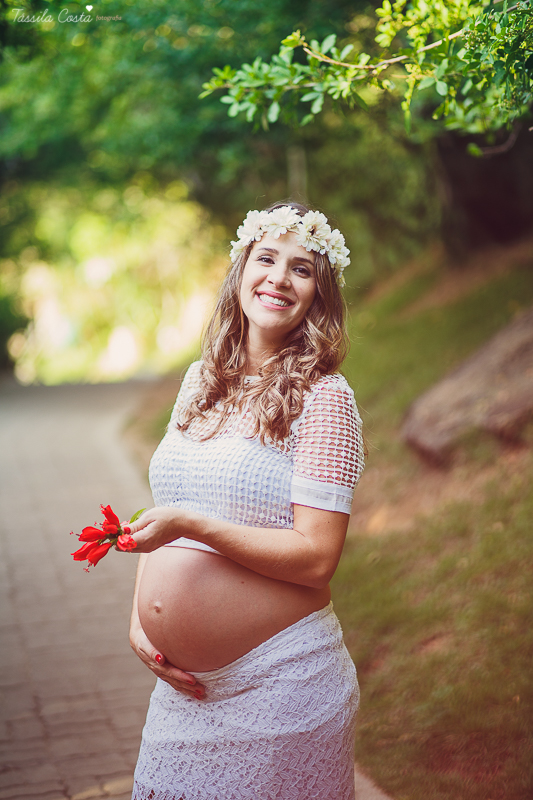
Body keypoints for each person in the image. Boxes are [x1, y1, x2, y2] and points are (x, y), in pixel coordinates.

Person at [127, 202, 365, 800]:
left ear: (319, 293)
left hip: (282, 687)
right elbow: (166, 507)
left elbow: (317, 558)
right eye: (267, 259)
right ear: (241, 272)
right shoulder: (199, 380)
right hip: (183, 697)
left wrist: (195, 526)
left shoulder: (326, 397)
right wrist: (139, 618)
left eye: (301, 268)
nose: (279, 278)